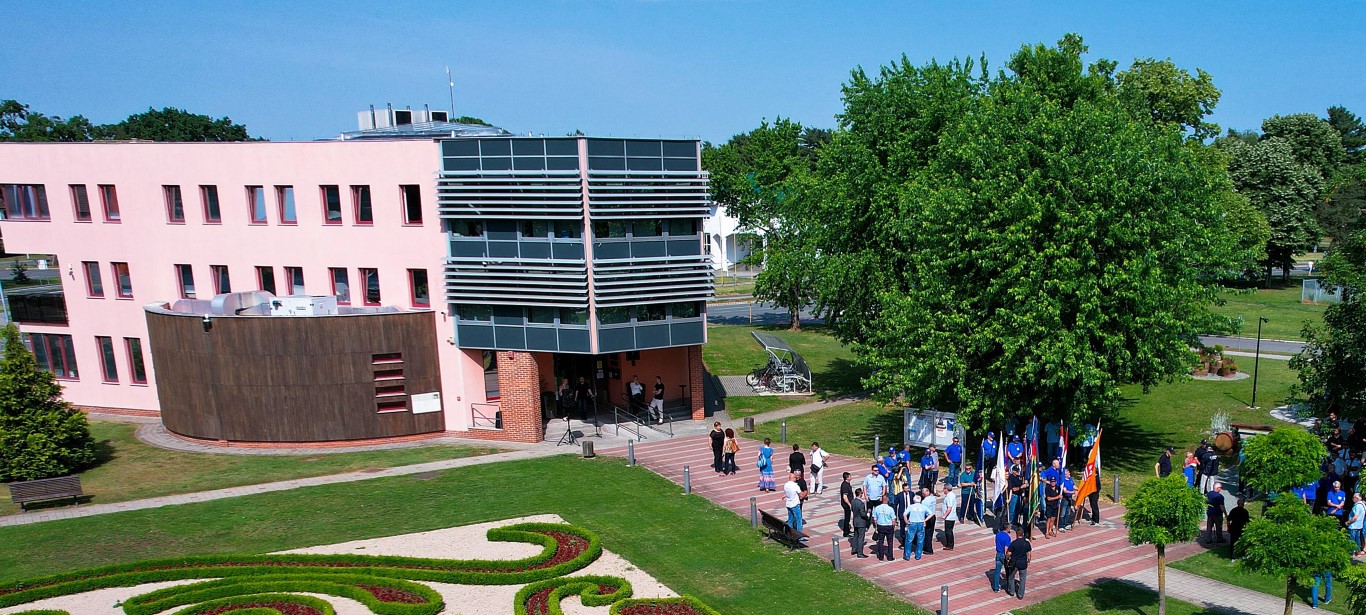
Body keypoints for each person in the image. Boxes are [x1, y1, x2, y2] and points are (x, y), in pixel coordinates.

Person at [1004, 527, 1032, 600]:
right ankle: (1020, 594)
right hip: (1023, 563)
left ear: (1016, 534)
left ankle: (1011, 591)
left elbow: (1009, 553)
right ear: (1023, 534)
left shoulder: (1014, 543)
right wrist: (1028, 561)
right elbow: (1029, 554)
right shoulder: (1026, 543)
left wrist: (1007, 558)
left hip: (1014, 563)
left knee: (1011, 577)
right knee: (1022, 579)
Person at [903, 494, 929, 561]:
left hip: (912, 523)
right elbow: (931, 513)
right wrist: (925, 520)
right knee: (920, 540)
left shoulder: (911, 506)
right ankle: (918, 555)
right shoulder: (923, 507)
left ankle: (907, 555)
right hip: (920, 523)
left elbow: (904, 514)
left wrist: (906, 521)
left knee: (909, 540)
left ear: (914, 500)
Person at [872, 495, 897, 561]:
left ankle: (881, 557)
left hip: (880, 526)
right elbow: (893, 520)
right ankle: (890, 557)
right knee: (890, 542)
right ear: (887, 500)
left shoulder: (877, 508)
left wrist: (876, 526)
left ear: (881, 500)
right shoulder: (890, 509)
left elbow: (874, 519)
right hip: (888, 526)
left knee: (880, 541)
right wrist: (893, 527)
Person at [781, 471, 805, 537]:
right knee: (799, 520)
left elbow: (787, 493)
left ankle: (789, 533)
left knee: (790, 520)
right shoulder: (795, 486)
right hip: (795, 504)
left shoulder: (786, 485)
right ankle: (799, 535)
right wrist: (803, 495)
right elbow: (801, 495)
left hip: (788, 504)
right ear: (793, 478)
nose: (796, 479)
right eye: (795, 478)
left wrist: (785, 496)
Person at [990, 525, 1012, 592]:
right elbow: (1006, 548)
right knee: (1008, 571)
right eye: (1010, 527)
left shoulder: (998, 534)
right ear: (1007, 528)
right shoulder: (1007, 537)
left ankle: (996, 588)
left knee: (997, 572)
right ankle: (1009, 587)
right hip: (1003, 554)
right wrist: (1007, 558)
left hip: (998, 554)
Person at [1228, 497, 1250, 562]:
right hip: (1241, 528)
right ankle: (1243, 554)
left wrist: (1229, 527)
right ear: (1243, 504)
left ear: (1237, 503)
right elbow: (1247, 521)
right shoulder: (1245, 511)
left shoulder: (1233, 510)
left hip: (1233, 528)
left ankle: (1232, 556)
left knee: (1233, 542)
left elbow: (1228, 520)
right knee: (1242, 541)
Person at [850, 487, 870, 558]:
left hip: (855, 521)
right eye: (862, 493)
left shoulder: (853, 501)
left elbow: (852, 509)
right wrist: (867, 515)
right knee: (861, 537)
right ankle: (860, 553)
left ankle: (854, 549)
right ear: (860, 494)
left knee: (855, 536)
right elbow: (862, 514)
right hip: (861, 522)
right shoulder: (861, 503)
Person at [941, 484, 959, 550]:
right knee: (949, 531)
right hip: (950, 516)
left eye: (944, 489)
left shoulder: (949, 497)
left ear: (946, 489)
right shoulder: (951, 495)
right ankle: (949, 543)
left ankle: (950, 545)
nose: (943, 490)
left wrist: (944, 515)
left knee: (948, 531)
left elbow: (949, 508)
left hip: (949, 517)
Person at [921, 487, 938, 555]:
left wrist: (923, 520)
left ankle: (929, 549)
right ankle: (927, 546)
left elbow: (923, 512)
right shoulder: (933, 498)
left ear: (923, 494)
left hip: (927, 517)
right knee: (930, 533)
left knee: (927, 533)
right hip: (933, 516)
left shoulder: (924, 502)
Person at [839, 472, 855, 537]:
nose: (851, 477)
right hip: (846, 505)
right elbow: (845, 497)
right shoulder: (845, 485)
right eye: (850, 476)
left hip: (847, 504)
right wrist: (849, 504)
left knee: (848, 517)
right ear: (847, 478)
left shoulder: (847, 484)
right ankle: (846, 532)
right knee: (847, 518)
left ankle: (847, 530)